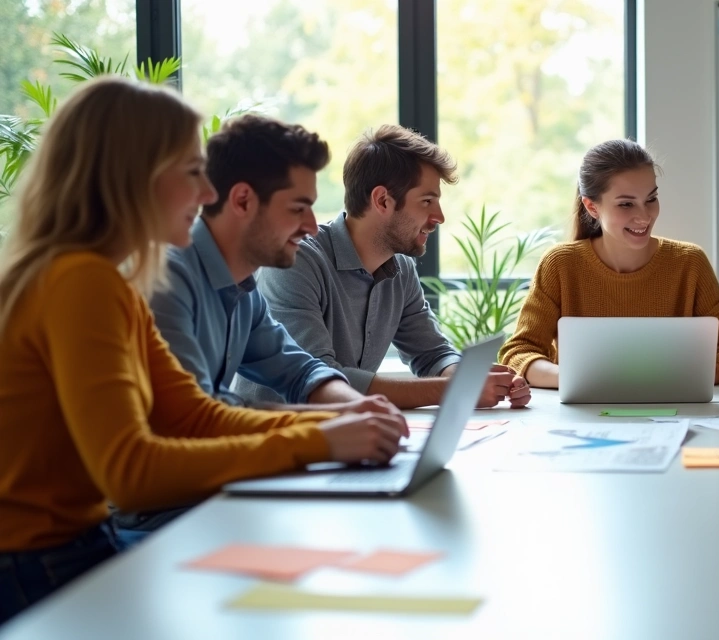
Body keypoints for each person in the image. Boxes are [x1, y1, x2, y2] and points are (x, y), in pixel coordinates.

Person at [0, 77, 406, 624]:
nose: (206, 194)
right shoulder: (81, 283)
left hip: (68, 551)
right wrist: (317, 440)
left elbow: (193, 414)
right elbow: (130, 470)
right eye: (192, 173)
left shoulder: (105, 282)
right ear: (133, 176)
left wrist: (329, 430)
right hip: (39, 567)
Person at [111, 115, 409, 545]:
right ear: (243, 201)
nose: (311, 226)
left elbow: (299, 371)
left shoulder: (242, 284)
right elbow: (194, 421)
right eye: (297, 207)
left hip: (219, 497)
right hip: (162, 522)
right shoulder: (167, 281)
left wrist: (352, 409)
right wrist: (330, 428)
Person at [234, 125, 530, 409]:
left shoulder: (400, 268)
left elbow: (433, 353)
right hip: (274, 440)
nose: (439, 217)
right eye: (427, 201)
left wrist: (472, 378)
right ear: (382, 201)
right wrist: (454, 390)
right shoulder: (296, 261)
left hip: (345, 437)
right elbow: (319, 380)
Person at [499, 139, 719, 388]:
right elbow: (519, 352)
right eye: (626, 204)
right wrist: (580, 380)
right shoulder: (560, 265)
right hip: (584, 414)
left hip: (675, 410)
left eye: (651, 199)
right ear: (592, 207)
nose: (644, 215)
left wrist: (666, 381)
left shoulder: (690, 263)